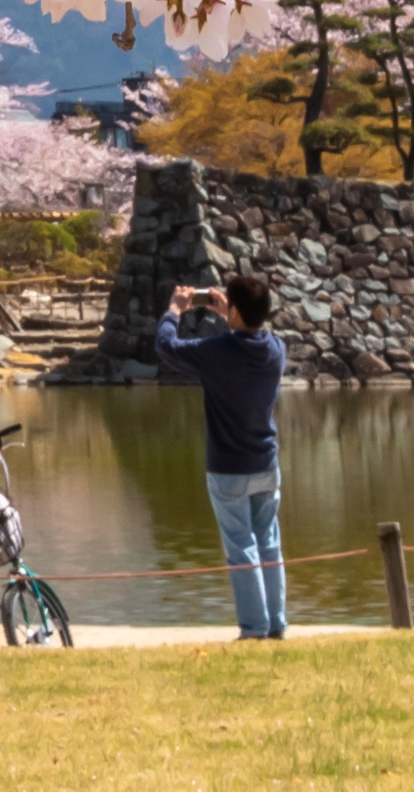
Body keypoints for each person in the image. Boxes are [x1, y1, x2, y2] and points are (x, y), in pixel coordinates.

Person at [156, 275, 290, 641]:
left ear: (234, 310)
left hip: (228, 469)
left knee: (241, 549)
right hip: (266, 463)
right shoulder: (276, 349)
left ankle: (254, 628)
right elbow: (250, 335)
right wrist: (227, 315)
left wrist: (175, 310)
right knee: (268, 543)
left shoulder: (217, 353)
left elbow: (167, 347)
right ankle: (276, 623)